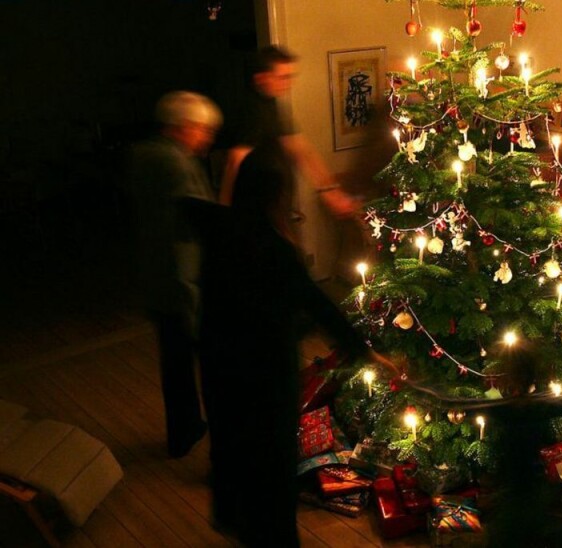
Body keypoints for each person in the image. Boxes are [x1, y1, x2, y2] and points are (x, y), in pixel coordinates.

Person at [183, 142, 394, 547]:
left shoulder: (218, 230)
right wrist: (366, 350)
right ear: (275, 195)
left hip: (219, 367)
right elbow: (318, 305)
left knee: (231, 448)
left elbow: (188, 209)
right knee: (273, 463)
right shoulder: (273, 248)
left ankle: (235, 519)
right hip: (265, 374)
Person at [126, 90, 221, 458]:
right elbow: (201, 218)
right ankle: (207, 434)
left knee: (174, 360)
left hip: (154, 272)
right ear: (184, 127)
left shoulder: (141, 155)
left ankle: (184, 430)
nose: (206, 138)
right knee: (209, 358)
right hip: (182, 277)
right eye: (203, 130)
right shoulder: (175, 163)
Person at [219, 45, 356, 219]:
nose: (288, 83)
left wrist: (330, 192)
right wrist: (223, 213)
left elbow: (300, 148)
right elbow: (234, 161)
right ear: (261, 78)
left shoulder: (272, 105)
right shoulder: (252, 111)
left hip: (276, 207)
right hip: (256, 211)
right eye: (283, 77)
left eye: (290, 77)